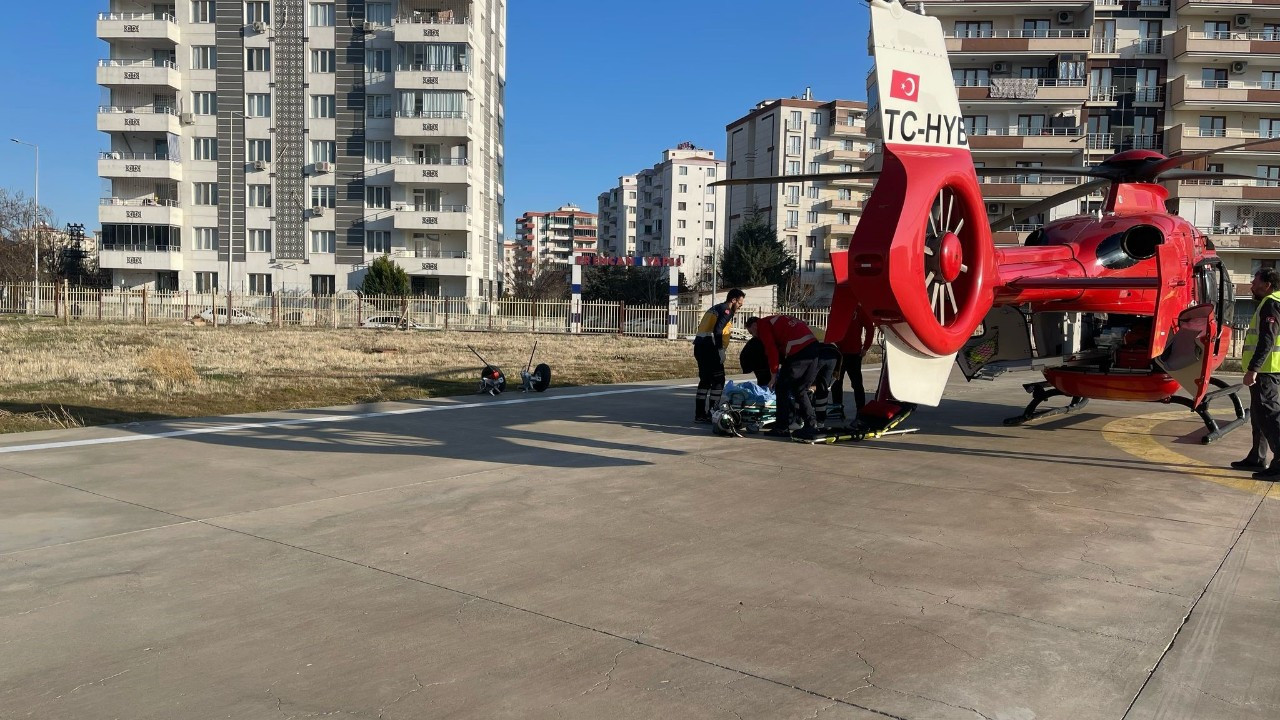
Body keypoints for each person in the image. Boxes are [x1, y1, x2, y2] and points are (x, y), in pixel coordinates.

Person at [1233, 267, 1280, 480]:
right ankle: (1257, 457)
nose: (1252, 285)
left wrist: (1254, 369)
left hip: (1267, 369)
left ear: (1267, 285)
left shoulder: (1271, 303)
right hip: (1270, 368)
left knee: (1269, 415)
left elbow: (1267, 339)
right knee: (1259, 414)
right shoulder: (1272, 301)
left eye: (1255, 281)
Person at [746, 314, 823, 440]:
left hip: (799, 351)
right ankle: (811, 423)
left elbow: (771, 350)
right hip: (814, 348)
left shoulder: (762, 325)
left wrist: (773, 375)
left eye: (751, 332)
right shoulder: (777, 320)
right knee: (800, 389)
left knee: (781, 387)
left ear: (754, 325)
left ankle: (782, 427)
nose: (754, 336)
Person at [692, 288, 746, 422]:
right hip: (711, 349)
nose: (740, 306)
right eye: (739, 303)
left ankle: (700, 414)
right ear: (733, 300)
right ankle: (713, 412)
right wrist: (720, 349)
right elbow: (718, 330)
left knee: (705, 381)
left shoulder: (715, 308)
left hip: (700, 347)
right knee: (718, 380)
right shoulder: (726, 310)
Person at [828, 307, 875, 417]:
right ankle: (837, 408)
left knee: (856, 383)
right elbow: (830, 328)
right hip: (839, 352)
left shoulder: (859, 310)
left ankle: (861, 409)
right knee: (836, 382)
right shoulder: (837, 309)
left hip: (854, 353)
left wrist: (866, 347)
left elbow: (870, 328)